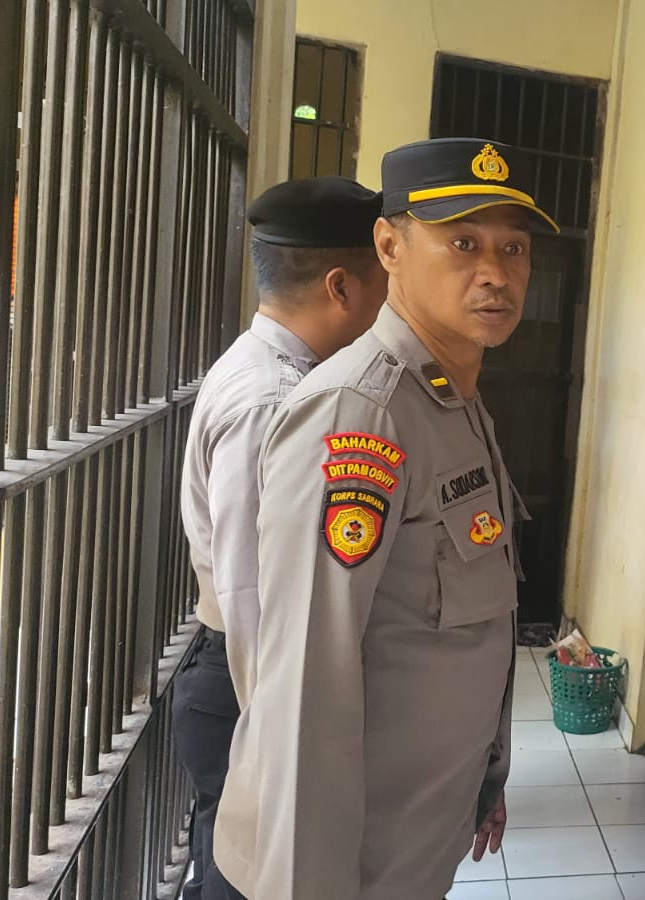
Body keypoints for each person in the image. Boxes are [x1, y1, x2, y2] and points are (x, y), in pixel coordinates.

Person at [207, 138, 556, 900]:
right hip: (336, 873)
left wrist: (486, 773)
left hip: (410, 849)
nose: (496, 273)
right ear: (389, 247)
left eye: (514, 247)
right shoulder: (359, 413)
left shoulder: (453, 401)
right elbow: (304, 692)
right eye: (463, 243)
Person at [173, 176, 386, 900]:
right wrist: (282, 740)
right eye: (384, 281)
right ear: (342, 287)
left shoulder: (274, 372)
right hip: (248, 684)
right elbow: (250, 594)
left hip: (244, 678)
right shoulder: (270, 401)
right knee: (244, 879)